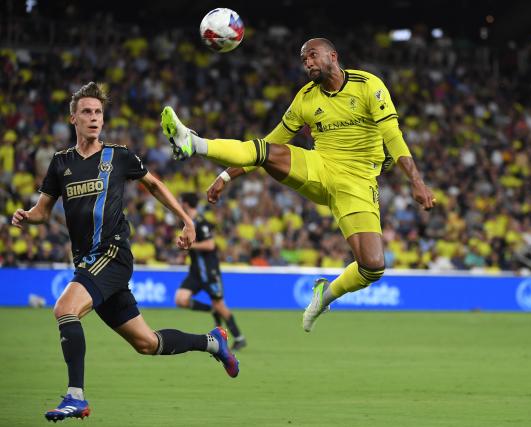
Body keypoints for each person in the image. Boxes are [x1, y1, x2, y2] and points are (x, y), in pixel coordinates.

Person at [160, 38, 436, 332]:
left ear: (333, 55)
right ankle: (194, 142)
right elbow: (270, 142)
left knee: (372, 266)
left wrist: (416, 182)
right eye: (304, 59)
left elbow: (393, 136)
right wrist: (226, 176)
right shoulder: (305, 98)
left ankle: (323, 296)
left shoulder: (368, 85)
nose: (308, 63)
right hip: (320, 167)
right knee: (267, 152)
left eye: (313, 56)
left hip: (358, 183)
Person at [12, 82, 239, 423]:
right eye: (86, 112)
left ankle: (75, 396)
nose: (93, 118)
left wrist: (186, 220)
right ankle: (213, 341)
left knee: (65, 308)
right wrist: (28, 216)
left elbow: (155, 185)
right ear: (73, 118)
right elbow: (43, 210)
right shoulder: (61, 163)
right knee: (147, 343)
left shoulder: (118, 156)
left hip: (113, 254)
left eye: (98, 112)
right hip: (88, 262)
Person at [175, 192, 247, 350]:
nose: (180, 204)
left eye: (181, 202)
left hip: (209, 272)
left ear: (186, 204)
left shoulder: (201, 222)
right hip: (196, 272)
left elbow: (210, 245)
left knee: (221, 305)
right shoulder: (188, 224)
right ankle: (211, 309)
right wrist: (183, 251)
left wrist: (190, 246)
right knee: (180, 299)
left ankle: (239, 338)